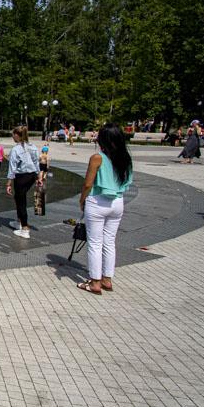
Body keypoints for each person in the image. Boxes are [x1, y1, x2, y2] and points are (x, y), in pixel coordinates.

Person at [77, 123, 133, 295]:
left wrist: (82, 199)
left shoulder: (97, 158)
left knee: (95, 243)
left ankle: (94, 282)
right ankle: (107, 279)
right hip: (117, 202)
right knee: (109, 241)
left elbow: (88, 183)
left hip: (98, 201)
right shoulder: (125, 158)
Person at [6, 126, 42, 239]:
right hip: (31, 176)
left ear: (18, 135)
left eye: (13, 134)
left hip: (21, 177)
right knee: (19, 198)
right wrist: (38, 177)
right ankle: (19, 222)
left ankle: (25, 229)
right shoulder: (33, 147)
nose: (12, 136)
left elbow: (12, 167)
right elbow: (37, 162)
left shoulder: (15, 150)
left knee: (21, 201)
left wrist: (8, 183)